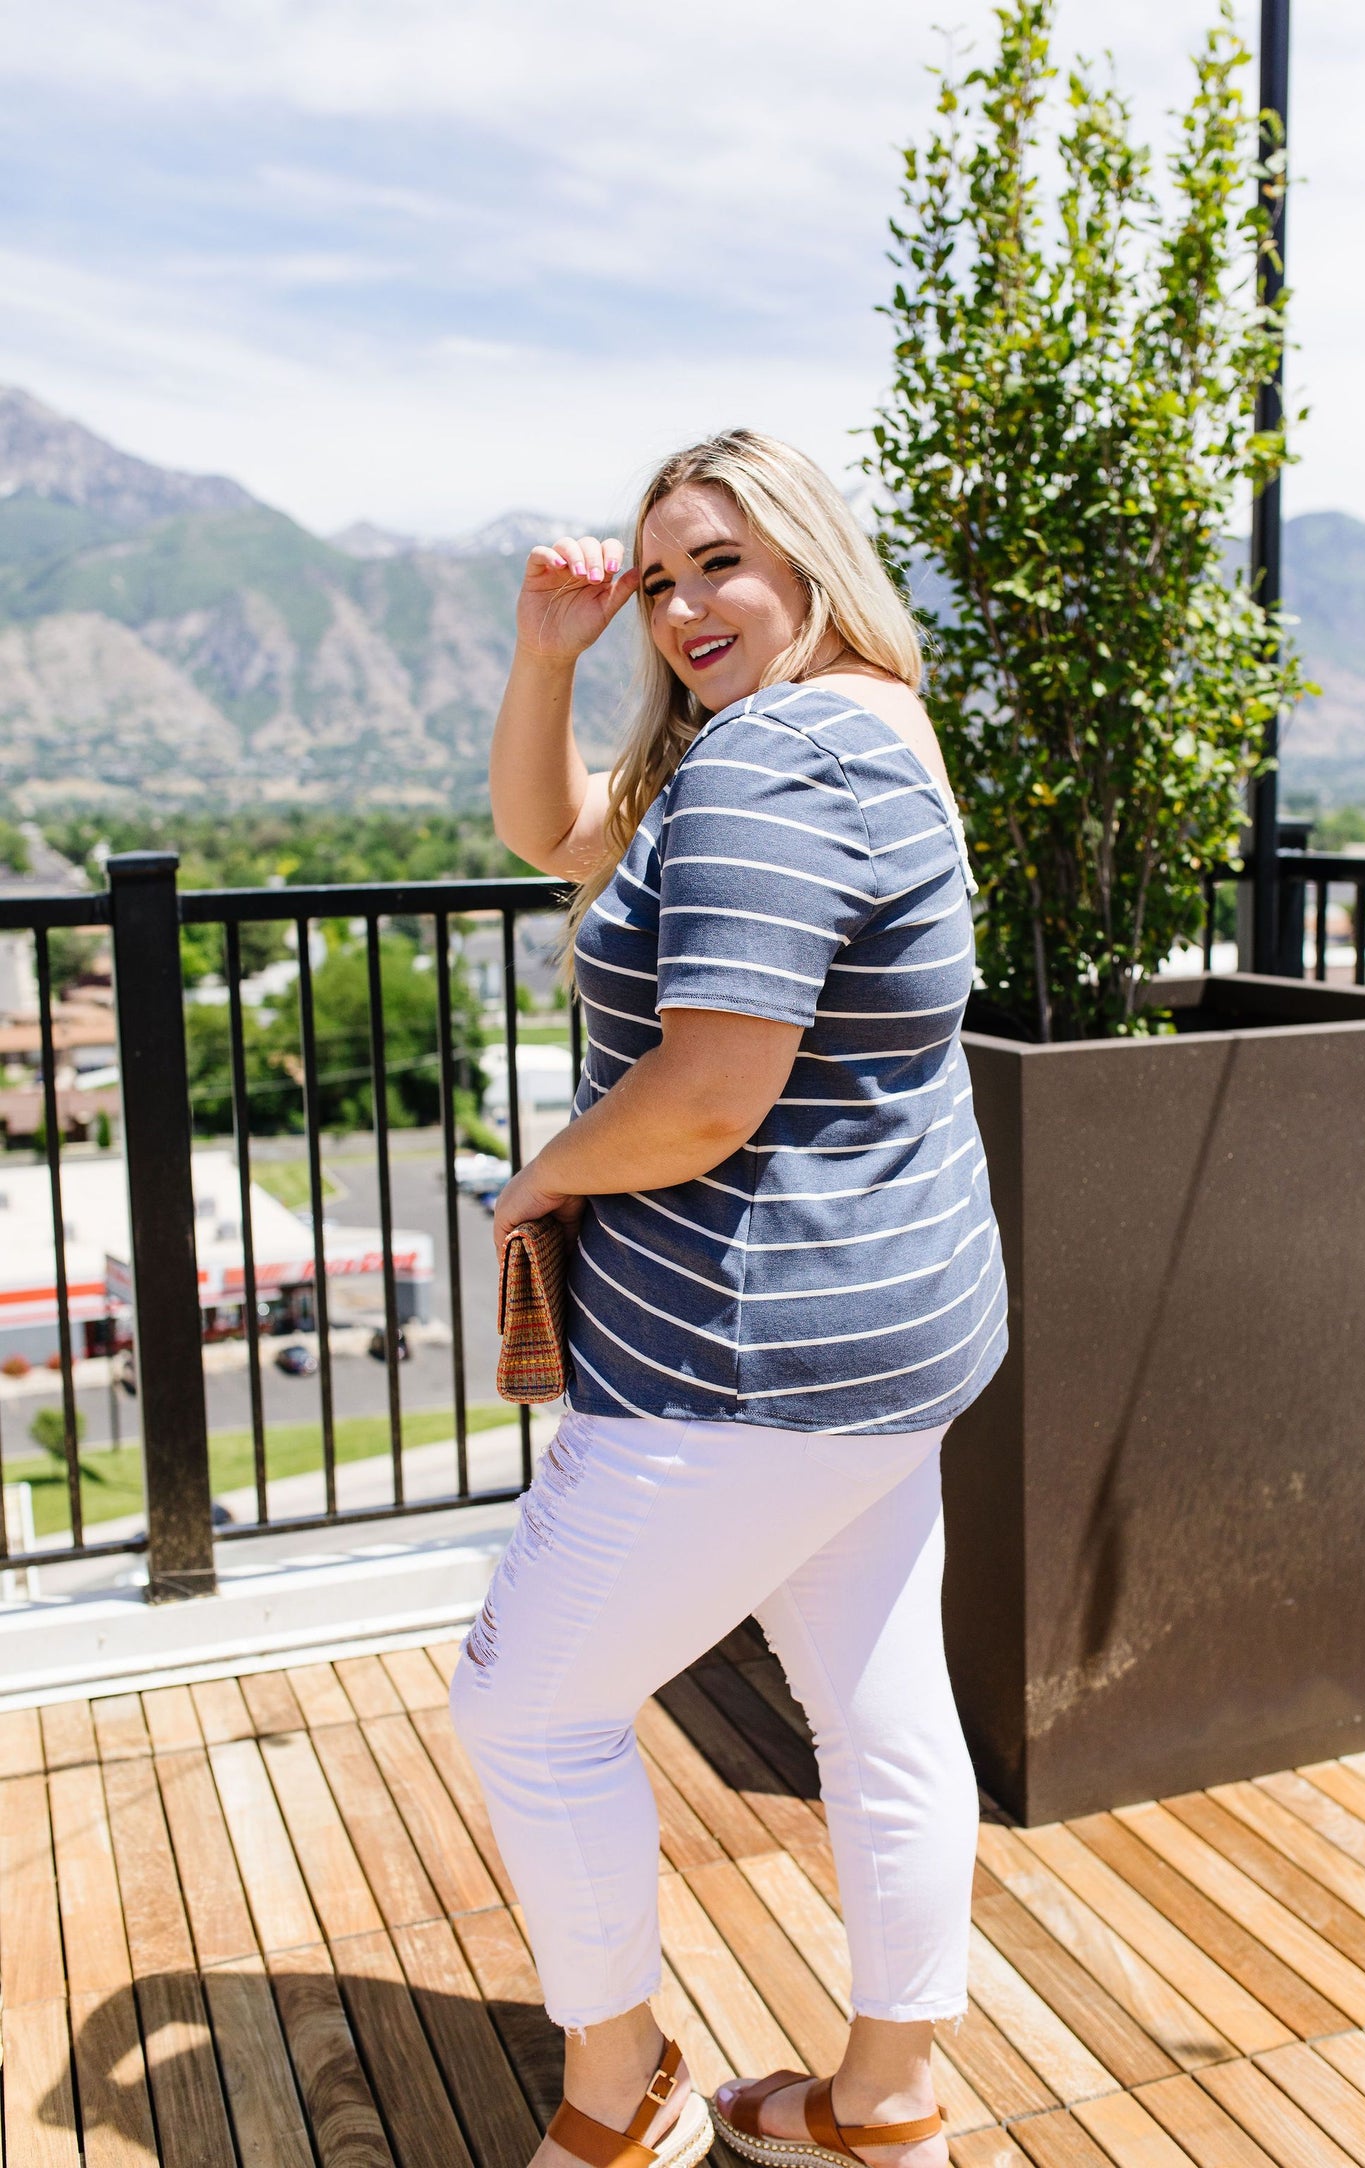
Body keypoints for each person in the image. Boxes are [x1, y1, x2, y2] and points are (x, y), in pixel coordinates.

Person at [451, 430, 1007, 2168]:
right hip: (889, 1336)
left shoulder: (771, 765)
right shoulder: (872, 728)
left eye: (724, 563)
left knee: (526, 1707)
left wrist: (544, 1174)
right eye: (662, 576)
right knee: (878, 1701)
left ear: (809, 564)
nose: (686, 603)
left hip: (739, 1352)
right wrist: (549, 656)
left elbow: (706, 1096)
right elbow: (555, 836)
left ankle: (621, 2096)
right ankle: (883, 2101)